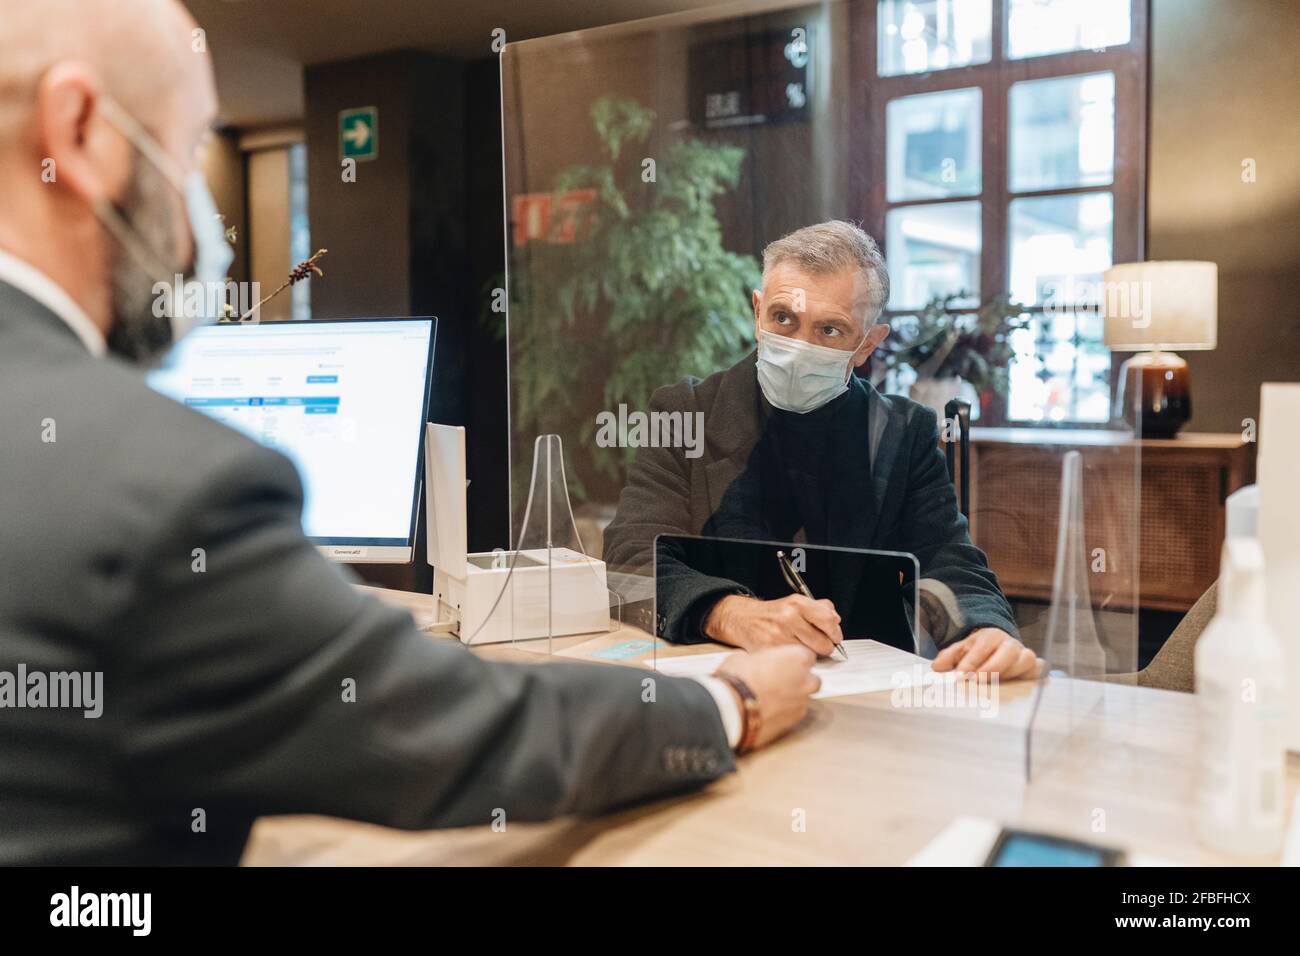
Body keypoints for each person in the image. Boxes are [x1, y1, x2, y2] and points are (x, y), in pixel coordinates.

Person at [0, 0, 820, 865]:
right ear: (81, 130)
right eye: (186, 145)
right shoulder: (164, 490)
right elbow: (453, 735)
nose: (202, 217)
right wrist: (731, 704)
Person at [604, 221, 1040, 680]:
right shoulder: (683, 413)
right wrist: (729, 613)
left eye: (830, 330)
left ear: (866, 345)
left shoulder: (903, 433)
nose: (797, 348)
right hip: (718, 687)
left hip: (864, 695)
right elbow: (630, 558)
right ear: (757, 313)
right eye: (783, 318)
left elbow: (949, 563)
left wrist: (986, 632)